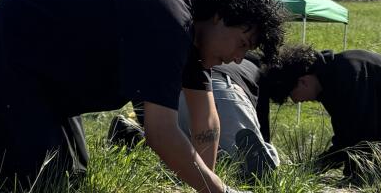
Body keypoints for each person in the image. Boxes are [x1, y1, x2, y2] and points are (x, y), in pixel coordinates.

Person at [0, 0, 284, 193]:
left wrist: (205, 192)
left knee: (70, 177)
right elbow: (161, 133)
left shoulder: (191, 39)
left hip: (44, 86)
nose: (237, 58)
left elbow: (207, 121)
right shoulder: (170, 21)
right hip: (0, 65)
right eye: (242, 44)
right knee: (33, 187)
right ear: (220, 17)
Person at [261, 45, 381, 176]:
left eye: (293, 96)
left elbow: (363, 137)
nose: (296, 101)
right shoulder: (328, 83)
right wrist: (319, 166)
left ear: (303, 80)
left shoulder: (349, 74)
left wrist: (349, 175)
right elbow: (346, 136)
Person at [110, 56, 280, 179]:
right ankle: (255, 171)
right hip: (222, 90)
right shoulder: (257, 69)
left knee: (179, 142)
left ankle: (134, 135)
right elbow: (262, 125)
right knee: (245, 155)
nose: (236, 57)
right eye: (243, 44)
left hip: (173, 95)